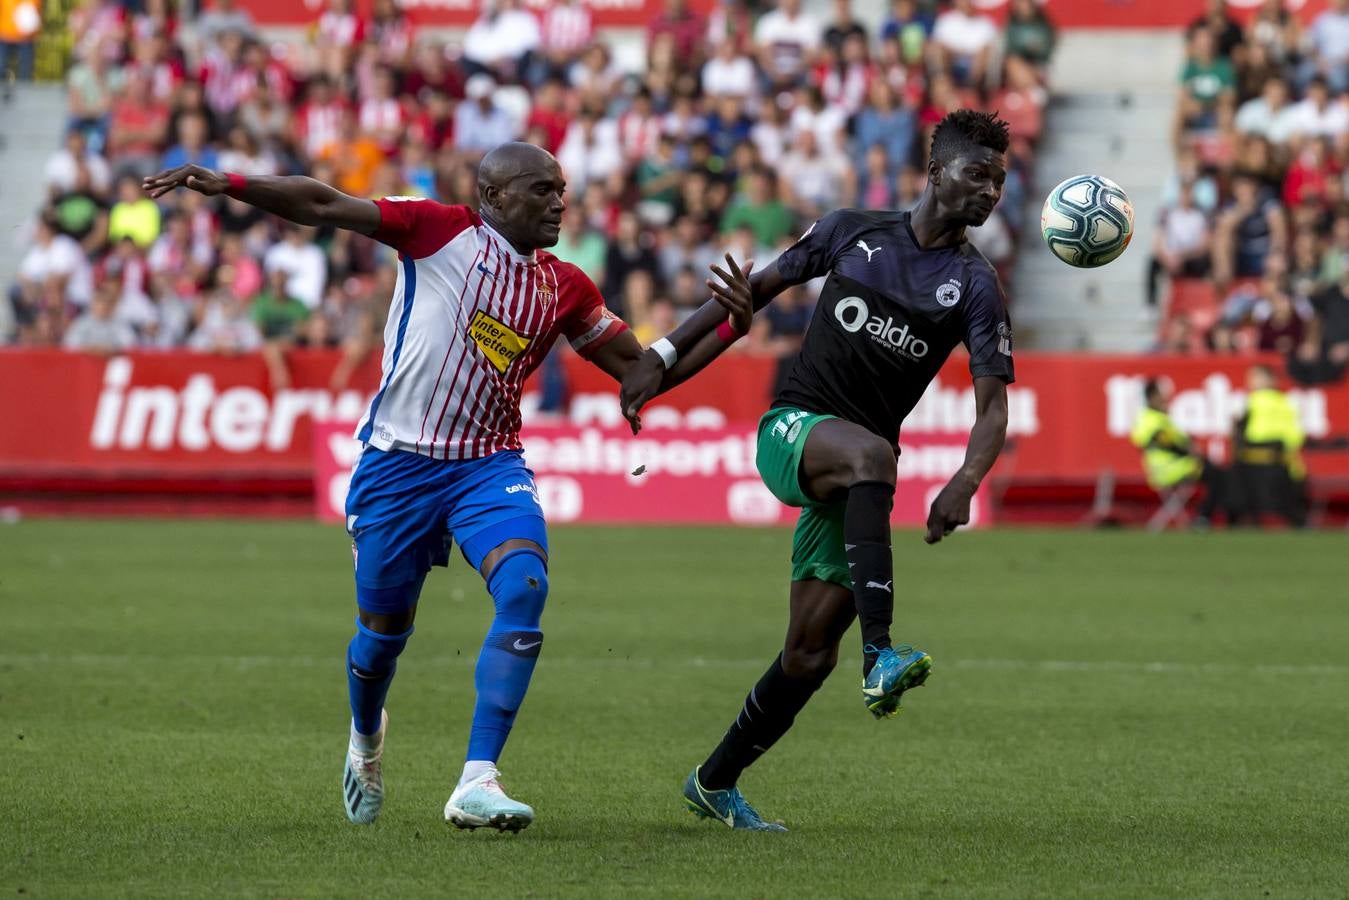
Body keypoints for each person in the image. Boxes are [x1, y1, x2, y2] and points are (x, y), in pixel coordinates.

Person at [141, 144, 730, 831]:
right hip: (396, 467)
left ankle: (477, 779)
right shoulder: (436, 230)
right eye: (542, 190)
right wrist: (232, 184)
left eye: (562, 189)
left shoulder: (566, 286)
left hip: (488, 464)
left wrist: (725, 324)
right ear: (496, 196)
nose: (559, 202)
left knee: (524, 586)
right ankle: (365, 739)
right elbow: (325, 204)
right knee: (382, 636)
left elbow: (640, 371)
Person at [620, 110, 1017, 831]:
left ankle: (714, 782)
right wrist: (663, 362)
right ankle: (881, 655)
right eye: (977, 174)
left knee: (806, 655)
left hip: (850, 475)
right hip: (793, 431)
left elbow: (992, 408)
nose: (990, 192)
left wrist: (964, 480)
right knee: (876, 454)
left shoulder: (975, 285)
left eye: (999, 180)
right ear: (933, 174)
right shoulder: (849, 231)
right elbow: (743, 302)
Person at [1130, 378, 1230, 527]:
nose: (1166, 399)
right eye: (1161, 395)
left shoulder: (1158, 418)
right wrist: (1191, 452)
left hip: (1174, 467)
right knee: (1218, 476)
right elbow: (1165, 443)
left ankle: (1206, 517)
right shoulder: (1149, 419)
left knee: (1216, 471)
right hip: (1170, 469)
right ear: (1152, 397)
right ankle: (1203, 517)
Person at [1232, 364, 1307, 527]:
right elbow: (1296, 435)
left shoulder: (1253, 400)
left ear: (1269, 379)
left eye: (1255, 377)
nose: (1251, 382)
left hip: (1254, 460)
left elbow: (1239, 430)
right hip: (1283, 461)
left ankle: (1245, 518)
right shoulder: (1286, 402)